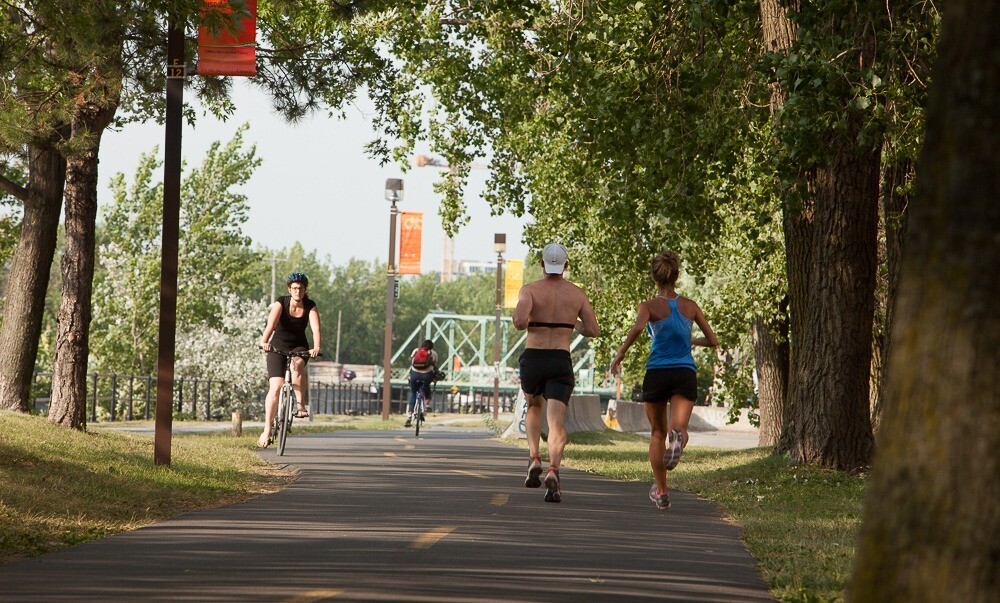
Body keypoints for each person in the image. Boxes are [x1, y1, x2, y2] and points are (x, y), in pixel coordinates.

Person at [609, 249, 718, 509]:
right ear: (676, 276)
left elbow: (638, 327)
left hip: (657, 373)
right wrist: (690, 340)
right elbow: (713, 340)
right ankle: (678, 438)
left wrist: (620, 353)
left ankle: (662, 491)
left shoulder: (648, 307)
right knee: (678, 428)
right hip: (684, 372)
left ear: (654, 278)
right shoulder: (690, 306)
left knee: (657, 433)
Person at [513, 243, 600, 503]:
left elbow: (519, 322)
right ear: (565, 266)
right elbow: (593, 330)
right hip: (560, 359)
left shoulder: (530, 290)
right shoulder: (577, 294)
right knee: (557, 422)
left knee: (533, 407)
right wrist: (572, 322)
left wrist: (532, 317)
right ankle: (553, 470)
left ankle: (534, 457)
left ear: (542, 264)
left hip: (534, 357)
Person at [257, 272, 322, 448]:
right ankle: (267, 430)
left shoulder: (310, 306)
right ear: (289, 289)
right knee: (276, 387)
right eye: (294, 288)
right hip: (278, 346)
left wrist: (316, 347)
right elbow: (271, 325)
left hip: (299, 346)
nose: (297, 291)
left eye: (301, 288)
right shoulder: (281, 302)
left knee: (297, 364)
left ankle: (300, 406)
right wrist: (264, 342)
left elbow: (316, 329)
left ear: (305, 290)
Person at [405, 339, 438, 427]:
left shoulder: (416, 351)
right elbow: (435, 366)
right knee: (426, 390)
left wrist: (410, 375)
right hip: (427, 375)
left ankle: (409, 416)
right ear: (431, 347)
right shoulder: (434, 353)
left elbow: (412, 362)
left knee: (413, 394)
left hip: (414, 375)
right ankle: (426, 405)